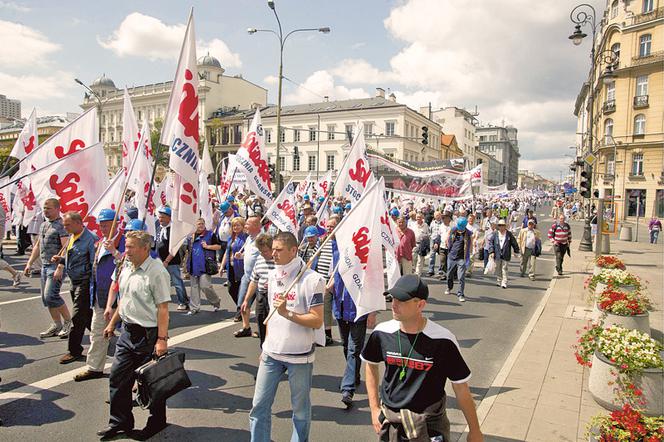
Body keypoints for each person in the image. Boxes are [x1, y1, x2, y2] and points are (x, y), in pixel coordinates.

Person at [361, 275, 482, 442]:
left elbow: (461, 388)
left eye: (401, 300)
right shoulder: (382, 333)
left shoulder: (443, 340)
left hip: (429, 425)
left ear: (420, 305)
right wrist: (374, 409)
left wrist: (474, 430)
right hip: (392, 423)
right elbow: (371, 365)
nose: (393, 305)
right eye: (392, 298)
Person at [249, 232, 325, 442]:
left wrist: (288, 313)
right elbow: (272, 319)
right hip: (272, 353)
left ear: (294, 250)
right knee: (259, 406)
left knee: (300, 411)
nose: (273, 254)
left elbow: (317, 320)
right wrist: (264, 347)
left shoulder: (313, 279)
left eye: (279, 250)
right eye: (272, 249)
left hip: (300, 356)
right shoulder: (273, 275)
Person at [99, 230, 171, 441]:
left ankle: (157, 422)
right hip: (127, 332)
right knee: (118, 378)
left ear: (145, 248)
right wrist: (113, 323)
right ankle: (119, 422)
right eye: (126, 246)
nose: (126, 251)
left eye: (131, 247)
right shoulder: (126, 266)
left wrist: (162, 339)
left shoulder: (157, 271)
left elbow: (163, 308)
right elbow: (125, 298)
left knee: (151, 383)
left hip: (148, 334)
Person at [74, 208, 125, 381]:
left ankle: (133, 374)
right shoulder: (101, 241)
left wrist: (115, 251)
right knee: (97, 332)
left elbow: (129, 263)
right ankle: (94, 367)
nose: (103, 228)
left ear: (116, 223)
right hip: (100, 295)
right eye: (101, 225)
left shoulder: (124, 240)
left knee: (128, 336)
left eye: (106, 225)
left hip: (122, 296)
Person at [331, 232, 377, 409]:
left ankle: (347, 389)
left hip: (358, 310)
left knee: (353, 348)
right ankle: (354, 375)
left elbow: (373, 286)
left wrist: (372, 312)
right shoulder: (336, 253)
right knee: (345, 345)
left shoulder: (363, 258)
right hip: (340, 308)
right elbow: (333, 275)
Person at [53, 211, 97, 364]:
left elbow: (94, 264)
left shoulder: (90, 239)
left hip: (84, 282)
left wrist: (92, 286)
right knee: (86, 314)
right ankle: (102, 335)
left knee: (77, 317)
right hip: (74, 280)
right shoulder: (72, 237)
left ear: (78, 223)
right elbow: (73, 256)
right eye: (64, 225)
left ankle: (74, 350)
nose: (65, 228)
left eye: (68, 225)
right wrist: (62, 260)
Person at [25, 198, 72, 339]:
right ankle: (56, 324)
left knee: (51, 295)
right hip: (45, 265)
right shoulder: (44, 225)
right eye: (44, 208)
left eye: (49, 208)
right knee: (46, 299)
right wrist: (29, 263)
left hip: (55, 266)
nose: (45, 210)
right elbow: (38, 245)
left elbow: (65, 248)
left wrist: (60, 266)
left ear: (57, 209)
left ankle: (69, 322)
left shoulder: (61, 226)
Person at [240, 234, 275, 345]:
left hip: (275, 297)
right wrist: (246, 300)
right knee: (261, 322)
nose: (263, 254)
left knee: (274, 326)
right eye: (261, 251)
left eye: (265, 251)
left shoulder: (280, 260)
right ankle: (264, 348)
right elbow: (254, 281)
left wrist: (274, 284)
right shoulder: (259, 259)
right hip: (261, 296)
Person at [185, 218, 222, 315]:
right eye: (198, 224)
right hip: (193, 265)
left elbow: (219, 246)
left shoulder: (210, 234)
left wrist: (208, 247)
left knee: (205, 286)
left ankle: (216, 301)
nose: (200, 225)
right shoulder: (191, 236)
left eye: (202, 224)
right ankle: (194, 307)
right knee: (194, 287)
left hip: (205, 265)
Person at [155, 206, 189, 311]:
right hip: (159, 261)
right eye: (159, 217)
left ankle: (183, 302)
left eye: (163, 217)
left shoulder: (173, 230)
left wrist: (166, 261)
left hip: (171, 261)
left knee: (177, 282)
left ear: (169, 218)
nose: (160, 219)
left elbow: (174, 248)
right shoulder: (159, 227)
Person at [236, 216, 263, 336]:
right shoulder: (249, 239)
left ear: (257, 226)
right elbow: (249, 255)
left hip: (259, 278)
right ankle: (246, 327)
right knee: (242, 302)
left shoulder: (262, 240)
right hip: (247, 277)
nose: (245, 226)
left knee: (261, 306)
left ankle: (263, 330)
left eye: (248, 224)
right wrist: (240, 256)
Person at [220, 216, 247, 322]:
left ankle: (240, 311)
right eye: (233, 225)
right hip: (230, 267)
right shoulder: (231, 238)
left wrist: (242, 255)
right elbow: (227, 253)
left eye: (238, 225)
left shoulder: (246, 238)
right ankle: (242, 307)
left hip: (241, 267)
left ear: (242, 226)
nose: (235, 227)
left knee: (241, 290)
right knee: (231, 289)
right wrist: (222, 266)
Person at [445, 217, 473, 302]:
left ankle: (460, 294)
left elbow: (471, 243)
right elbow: (447, 238)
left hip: (462, 258)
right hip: (452, 256)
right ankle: (449, 287)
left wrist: (470, 253)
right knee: (449, 274)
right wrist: (447, 244)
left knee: (461, 277)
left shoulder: (468, 233)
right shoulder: (453, 229)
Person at [489, 219, 520, 289]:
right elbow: (491, 243)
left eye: (502, 225)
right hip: (497, 253)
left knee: (504, 268)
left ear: (505, 226)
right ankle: (499, 280)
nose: (501, 227)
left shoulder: (509, 234)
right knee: (498, 268)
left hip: (506, 253)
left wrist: (516, 251)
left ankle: (504, 282)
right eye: (500, 225)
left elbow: (514, 243)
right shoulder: (495, 234)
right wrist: (491, 251)